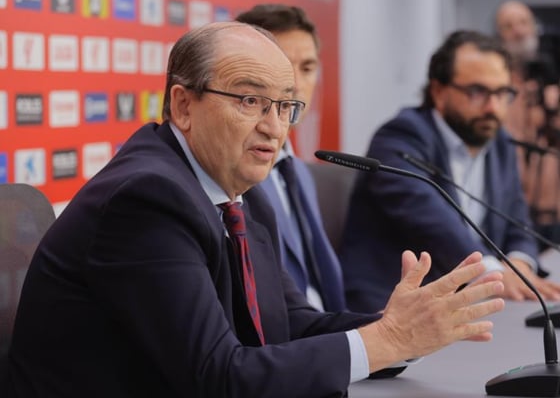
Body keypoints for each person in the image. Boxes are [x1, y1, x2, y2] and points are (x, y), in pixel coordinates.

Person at [7, 22, 505, 397]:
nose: (275, 127)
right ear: (183, 106)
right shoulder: (145, 201)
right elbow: (217, 376)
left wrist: (402, 330)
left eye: (285, 106)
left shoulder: (241, 190)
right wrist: (386, 340)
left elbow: (287, 322)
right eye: (250, 100)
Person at [339, 30, 560, 314]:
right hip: (390, 311)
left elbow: (517, 222)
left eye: (502, 93)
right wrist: (494, 273)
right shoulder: (399, 138)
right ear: (439, 92)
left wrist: (519, 263)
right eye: (477, 92)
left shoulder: (499, 142)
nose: (493, 107)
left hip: (472, 305)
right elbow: (432, 223)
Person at [235, 4, 344, 312]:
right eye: (281, 65)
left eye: (307, 68)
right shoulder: (234, 173)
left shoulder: (297, 171)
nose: (295, 83)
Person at [495, 0, 560, 251]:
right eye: (508, 26)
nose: (518, 31)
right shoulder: (497, 87)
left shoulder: (552, 80)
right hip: (512, 209)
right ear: (500, 35)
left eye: (523, 23)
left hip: (554, 205)